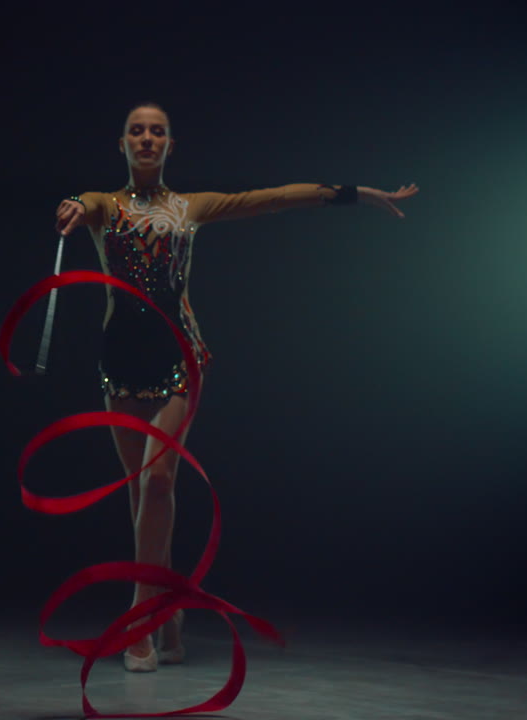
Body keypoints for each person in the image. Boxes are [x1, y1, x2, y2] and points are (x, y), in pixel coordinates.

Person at [53, 103, 418, 672]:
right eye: (136, 131)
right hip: (120, 361)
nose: (146, 139)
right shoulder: (104, 204)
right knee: (141, 496)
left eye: (157, 132)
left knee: (157, 482)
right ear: (121, 144)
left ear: (170, 146)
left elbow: (271, 198)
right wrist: (75, 204)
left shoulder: (191, 207)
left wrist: (356, 194)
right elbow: (88, 202)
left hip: (179, 356)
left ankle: (141, 616)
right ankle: (168, 609)